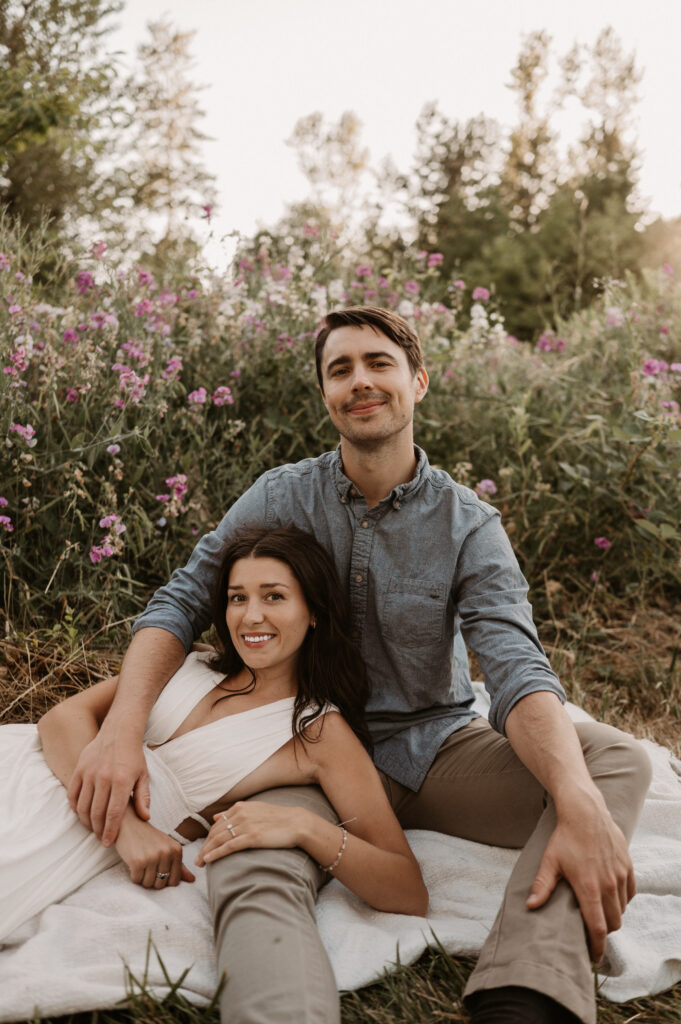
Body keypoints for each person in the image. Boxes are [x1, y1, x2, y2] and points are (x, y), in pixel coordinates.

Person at [68, 306, 652, 1024]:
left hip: (436, 748)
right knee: (252, 859)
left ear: (418, 381)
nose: (360, 381)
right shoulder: (282, 493)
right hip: (296, 747)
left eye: (377, 362)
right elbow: (184, 600)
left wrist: (575, 798)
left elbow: (514, 668)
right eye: (339, 369)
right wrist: (123, 729)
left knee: (607, 769)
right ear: (325, 395)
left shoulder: (467, 523)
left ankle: (525, 992)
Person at [0, 525, 427, 947]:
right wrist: (128, 830)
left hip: (63, 832)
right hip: (29, 768)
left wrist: (305, 826)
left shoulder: (319, 733)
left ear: (313, 611)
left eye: (273, 596)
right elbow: (61, 719)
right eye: (237, 597)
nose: (251, 615)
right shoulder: (192, 662)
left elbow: (407, 887)